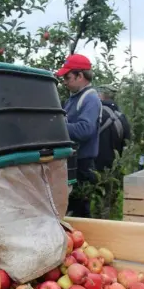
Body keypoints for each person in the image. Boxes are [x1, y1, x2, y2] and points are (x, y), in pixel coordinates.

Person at [55, 54, 101, 218]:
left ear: (80, 76)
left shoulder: (90, 99)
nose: (65, 82)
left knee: (80, 211)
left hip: (83, 165)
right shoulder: (73, 99)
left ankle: (84, 242)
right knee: (70, 209)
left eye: (68, 77)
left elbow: (85, 129)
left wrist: (56, 127)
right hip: (72, 163)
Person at [94, 85, 131, 171]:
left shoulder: (96, 113)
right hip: (114, 168)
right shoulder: (122, 117)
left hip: (95, 166)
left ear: (100, 96)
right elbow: (126, 143)